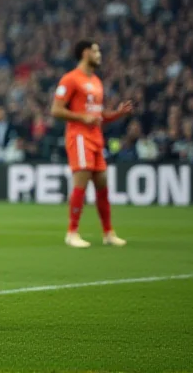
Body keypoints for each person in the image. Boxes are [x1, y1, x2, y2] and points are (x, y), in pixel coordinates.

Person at [51, 40, 133, 248]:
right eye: (96, 51)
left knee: (102, 183)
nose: (99, 54)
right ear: (85, 53)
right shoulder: (70, 79)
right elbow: (56, 110)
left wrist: (116, 114)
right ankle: (72, 233)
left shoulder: (96, 81)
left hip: (96, 138)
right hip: (79, 136)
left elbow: (98, 114)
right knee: (82, 181)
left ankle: (108, 233)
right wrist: (81, 117)